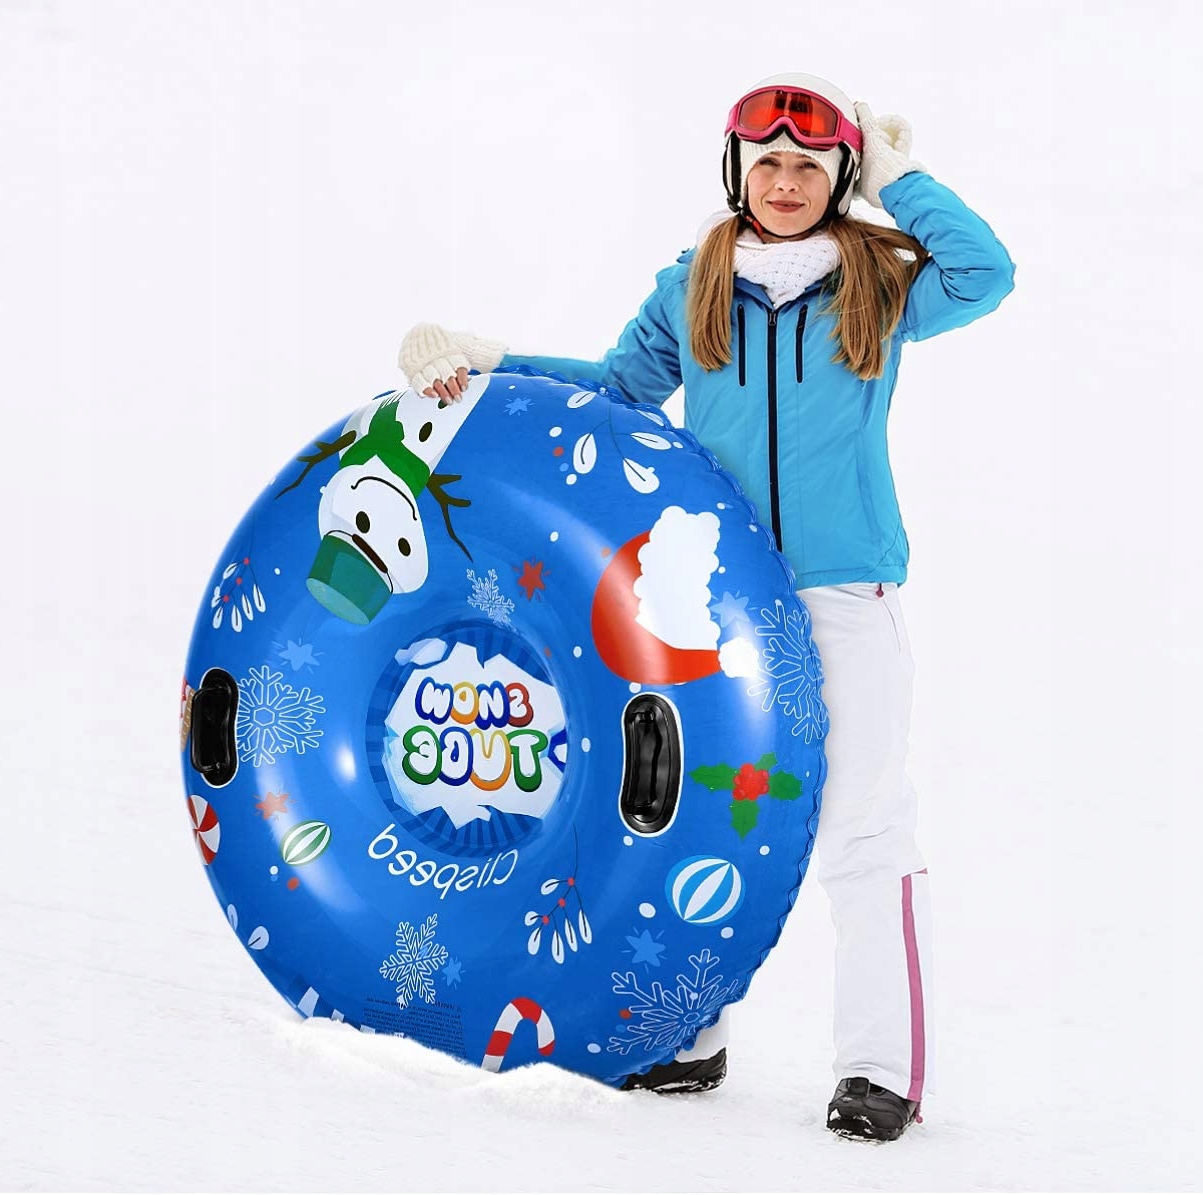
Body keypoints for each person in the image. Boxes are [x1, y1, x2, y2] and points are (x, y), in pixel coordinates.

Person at [397, 72, 1014, 1141]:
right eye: (767, 162)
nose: (785, 182)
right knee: (698, 817)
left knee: (861, 824)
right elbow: (617, 390)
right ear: (736, 172)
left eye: (811, 165)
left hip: (841, 592)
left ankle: (878, 1069)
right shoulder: (698, 283)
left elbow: (987, 272)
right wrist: (488, 367)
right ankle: (686, 1033)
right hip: (718, 599)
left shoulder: (877, 281)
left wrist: (898, 177)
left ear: (841, 179)